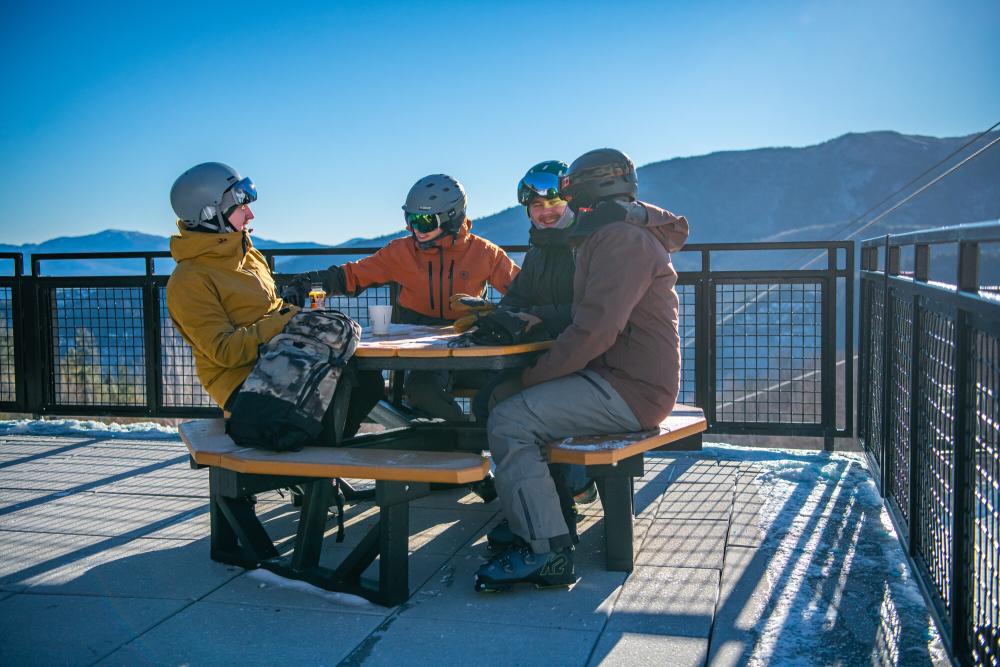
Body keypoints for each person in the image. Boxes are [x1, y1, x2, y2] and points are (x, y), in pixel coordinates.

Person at [474, 148, 690, 592]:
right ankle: (540, 519)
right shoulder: (614, 234)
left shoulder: (620, 240)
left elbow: (594, 331)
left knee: (512, 417)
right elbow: (586, 320)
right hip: (619, 379)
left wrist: (535, 377)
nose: (567, 205)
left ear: (586, 191)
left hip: (631, 388)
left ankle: (546, 550)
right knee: (508, 400)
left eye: (570, 195)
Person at [165, 162, 383, 441]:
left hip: (280, 360)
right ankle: (312, 467)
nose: (250, 213)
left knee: (366, 381)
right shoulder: (189, 281)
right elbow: (224, 351)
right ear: (210, 213)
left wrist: (286, 311)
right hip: (243, 385)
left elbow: (266, 314)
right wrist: (284, 319)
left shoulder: (248, 255)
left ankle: (317, 465)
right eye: (240, 206)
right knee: (343, 394)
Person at [286, 174, 519, 421]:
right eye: (411, 219)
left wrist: (499, 314)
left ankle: (485, 437)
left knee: (509, 387)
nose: (415, 228)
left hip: (472, 352)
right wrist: (309, 282)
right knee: (421, 392)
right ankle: (465, 438)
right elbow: (352, 276)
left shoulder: (485, 254)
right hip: (425, 357)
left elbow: (523, 290)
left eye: (426, 221)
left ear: (452, 217)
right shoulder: (402, 252)